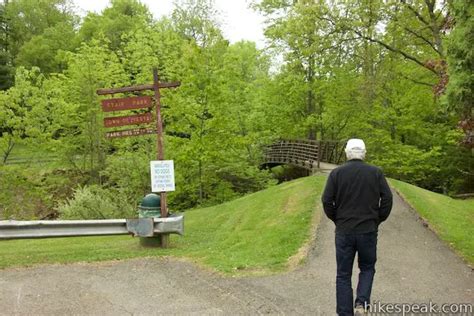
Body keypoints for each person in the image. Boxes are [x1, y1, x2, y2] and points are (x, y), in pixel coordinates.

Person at [321, 138, 393, 316]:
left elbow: (326, 200)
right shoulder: (375, 173)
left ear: (347, 153)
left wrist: (337, 219)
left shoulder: (336, 174)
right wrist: (377, 219)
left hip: (344, 230)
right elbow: (387, 199)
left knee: (343, 274)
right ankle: (361, 303)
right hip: (368, 230)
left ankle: (345, 313)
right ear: (364, 153)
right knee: (367, 268)